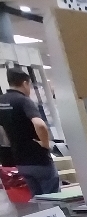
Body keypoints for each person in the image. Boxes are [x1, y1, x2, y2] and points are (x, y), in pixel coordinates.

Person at [0, 68, 59, 196]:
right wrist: (45, 143)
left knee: (37, 198)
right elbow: (40, 124)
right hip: (39, 159)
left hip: (20, 161)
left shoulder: (1, 101)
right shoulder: (23, 100)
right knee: (54, 198)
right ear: (25, 83)